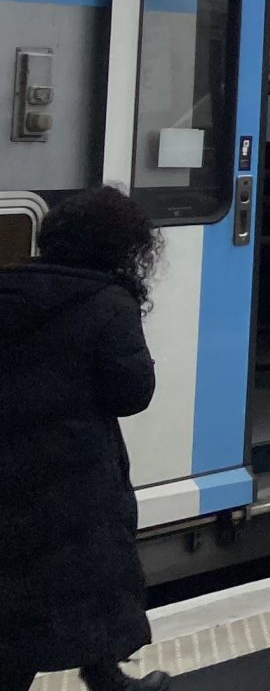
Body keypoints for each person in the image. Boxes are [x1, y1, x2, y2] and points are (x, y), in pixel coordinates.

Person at [0, 189, 167, 691]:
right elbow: (131, 394)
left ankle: (105, 673)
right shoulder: (108, 302)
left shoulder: (7, 289)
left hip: (9, 462)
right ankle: (105, 675)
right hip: (74, 471)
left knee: (18, 581)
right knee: (86, 574)